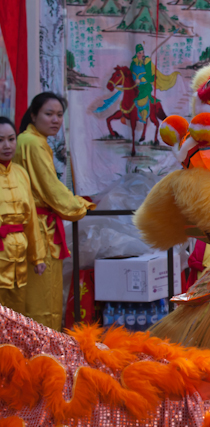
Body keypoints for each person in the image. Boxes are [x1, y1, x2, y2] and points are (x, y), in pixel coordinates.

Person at [15, 92, 96, 330]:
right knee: (40, 297)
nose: (55, 120)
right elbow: (51, 190)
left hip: (41, 226)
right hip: (36, 229)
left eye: (59, 115)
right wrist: (81, 206)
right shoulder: (31, 142)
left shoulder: (37, 141)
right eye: (49, 114)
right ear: (33, 115)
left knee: (45, 295)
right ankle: (39, 355)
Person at [0, 117, 46, 315]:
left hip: (18, 255)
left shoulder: (21, 173)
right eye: (0, 140)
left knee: (16, 318)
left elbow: (31, 219)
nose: (7, 145)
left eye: (11, 139)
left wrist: (37, 256)